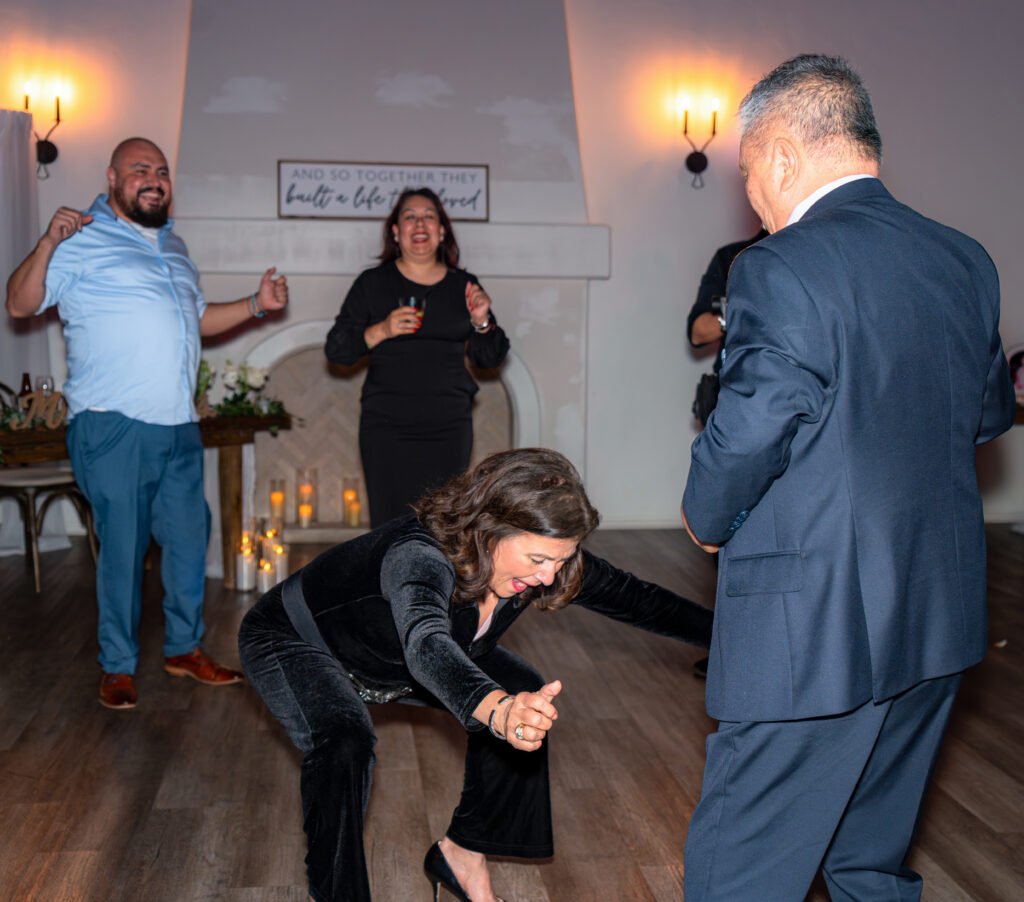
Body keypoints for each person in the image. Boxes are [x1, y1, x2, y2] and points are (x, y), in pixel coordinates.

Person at [679, 55, 1016, 901]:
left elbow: (751, 431)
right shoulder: (965, 258)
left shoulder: (780, 264)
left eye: (748, 173)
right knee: (869, 863)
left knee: (742, 870)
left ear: (783, 154)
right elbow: (987, 417)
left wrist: (703, 518)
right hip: (936, 613)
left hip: (814, 628)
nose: (752, 194)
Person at [239, 448, 713, 902]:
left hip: (391, 661)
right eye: (538, 561)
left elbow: (641, 600)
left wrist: (728, 638)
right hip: (297, 639)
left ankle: (462, 855)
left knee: (524, 694)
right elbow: (427, 644)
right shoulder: (418, 557)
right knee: (344, 740)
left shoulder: (547, 560)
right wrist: (498, 711)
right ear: (489, 531)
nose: (550, 577)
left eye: (561, 560)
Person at [5, 137, 289, 711]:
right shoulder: (81, 238)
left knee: (188, 540)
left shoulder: (173, 245)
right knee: (124, 549)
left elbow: (197, 319)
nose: (154, 179)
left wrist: (256, 304)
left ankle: (184, 648)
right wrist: (47, 243)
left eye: (161, 170)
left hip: (178, 423)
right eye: (140, 169)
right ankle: (116, 664)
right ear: (112, 178)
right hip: (113, 424)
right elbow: (19, 303)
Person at [324, 188, 510, 527]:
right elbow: (337, 349)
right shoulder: (373, 283)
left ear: (441, 231)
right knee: (390, 525)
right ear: (396, 232)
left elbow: (489, 358)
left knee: (442, 524)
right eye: (410, 216)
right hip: (386, 427)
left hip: (449, 426)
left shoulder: (463, 285)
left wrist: (481, 320)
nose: (420, 224)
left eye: (428, 216)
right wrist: (382, 329)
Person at [686, 228, 766, 679]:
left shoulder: (822, 247)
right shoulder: (733, 256)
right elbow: (697, 332)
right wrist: (738, 313)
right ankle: (731, 648)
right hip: (737, 405)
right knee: (728, 537)